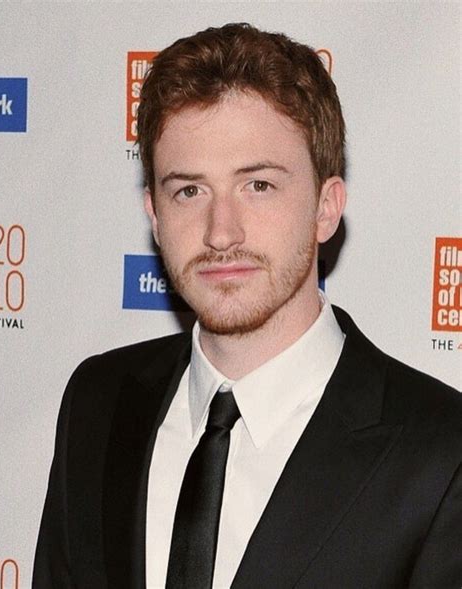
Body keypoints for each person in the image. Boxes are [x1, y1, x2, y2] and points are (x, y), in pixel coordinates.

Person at [33, 23, 462, 589]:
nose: (221, 232)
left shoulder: (441, 454)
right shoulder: (97, 402)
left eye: (258, 185)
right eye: (189, 190)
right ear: (154, 214)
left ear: (326, 207)